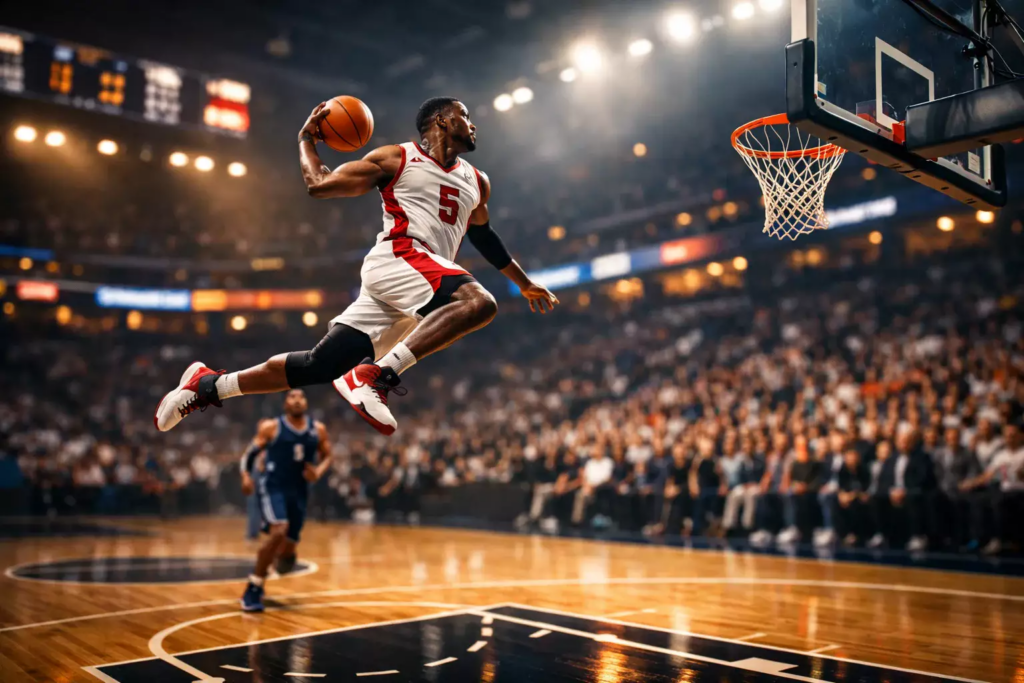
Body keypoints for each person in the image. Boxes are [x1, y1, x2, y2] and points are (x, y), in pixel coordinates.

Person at [155, 97, 559, 436]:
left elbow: (483, 235)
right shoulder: (397, 158)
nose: (473, 125)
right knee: (479, 303)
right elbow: (320, 185)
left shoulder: (478, 181)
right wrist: (305, 141)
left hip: (417, 282)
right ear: (441, 120)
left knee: (321, 365)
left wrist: (524, 284)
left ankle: (207, 385)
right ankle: (376, 376)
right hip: (400, 256)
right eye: (465, 116)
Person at [240, 390, 332, 612]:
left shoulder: (317, 429)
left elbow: (327, 455)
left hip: (299, 490)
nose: (298, 399)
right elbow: (249, 455)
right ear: (285, 403)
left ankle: (281, 556)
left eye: (301, 396)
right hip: (273, 486)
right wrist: (245, 475)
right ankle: (253, 587)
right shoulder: (271, 427)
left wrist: (318, 472)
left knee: (288, 552)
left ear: (306, 402)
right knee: (279, 530)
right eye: (292, 397)